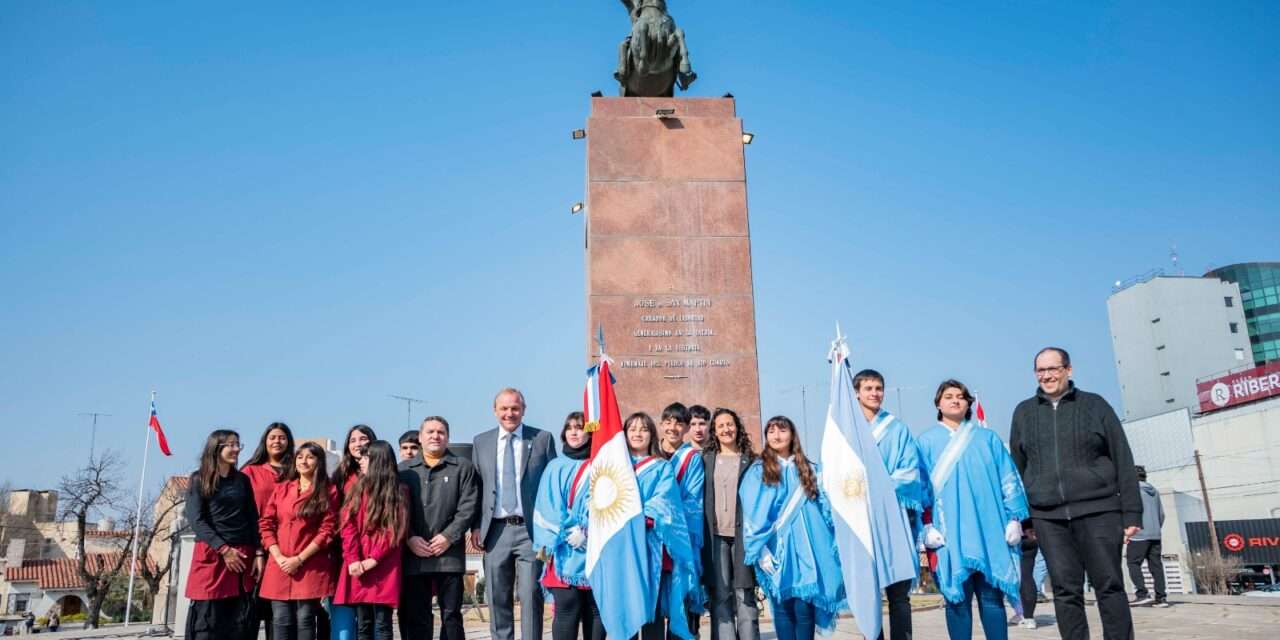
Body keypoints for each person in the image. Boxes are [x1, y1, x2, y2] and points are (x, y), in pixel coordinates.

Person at [1010, 347, 1142, 640]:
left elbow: (1122, 457)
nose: (1047, 375)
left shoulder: (1096, 406)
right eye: (1040, 370)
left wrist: (1132, 511)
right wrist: (1023, 518)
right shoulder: (1023, 412)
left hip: (1099, 511)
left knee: (1109, 584)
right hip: (1048, 517)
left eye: (1053, 369)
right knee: (1064, 590)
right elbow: (1017, 470)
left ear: (1069, 370)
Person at [918, 380, 1029, 640]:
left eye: (960, 396)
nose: (955, 400)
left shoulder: (988, 438)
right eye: (949, 396)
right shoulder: (925, 442)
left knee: (992, 601)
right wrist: (925, 525)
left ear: (968, 403)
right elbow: (919, 489)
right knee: (957, 601)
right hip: (948, 535)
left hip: (990, 533)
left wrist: (1015, 518)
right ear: (938, 403)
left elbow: (1009, 479)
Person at [740, 416, 846, 640]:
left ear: (792, 435)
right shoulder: (758, 471)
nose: (777, 435)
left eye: (782, 430)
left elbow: (826, 508)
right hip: (777, 550)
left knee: (804, 608)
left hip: (809, 550)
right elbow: (752, 509)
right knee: (782, 607)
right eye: (771, 431)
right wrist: (760, 550)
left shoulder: (810, 469)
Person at [471, 388, 558, 640]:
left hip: (530, 530)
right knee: (497, 595)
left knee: (531, 594)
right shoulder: (481, 442)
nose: (510, 413)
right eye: (504, 408)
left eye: (515, 408)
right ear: (495, 410)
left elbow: (550, 485)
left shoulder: (542, 439)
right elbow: (477, 487)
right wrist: (476, 526)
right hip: (495, 529)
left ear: (524, 409)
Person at [852, 369, 924, 640]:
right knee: (868, 594)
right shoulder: (846, 430)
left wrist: (875, 489)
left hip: (893, 518)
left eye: (878, 388)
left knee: (898, 594)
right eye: (868, 388)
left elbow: (909, 472)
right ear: (856, 392)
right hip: (860, 520)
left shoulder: (898, 429)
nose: (874, 393)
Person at [399, 417, 481, 640]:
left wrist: (448, 536)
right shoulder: (403, 470)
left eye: (441, 432)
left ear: (448, 437)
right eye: (430, 432)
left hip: (449, 555)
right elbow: (396, 510)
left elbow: (469, 506)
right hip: (414, 556)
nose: (435, 436)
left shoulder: (463, 468)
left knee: (451, 616)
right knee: (417, 616)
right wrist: (409, 538)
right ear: (420, 437)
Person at [184, 429, 264, 640]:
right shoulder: (198, 479)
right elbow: (197, 520)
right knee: (207, 621)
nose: (236, 449)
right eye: (231, 445)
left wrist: (258, 552)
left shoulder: (242, 481)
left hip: (243, 558)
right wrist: (224, 549)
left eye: (238, 445)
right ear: (216, 448)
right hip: (212, 556)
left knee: (239, 623)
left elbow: (252, 517)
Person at [624, 412, 697, 640]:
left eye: (643, 429)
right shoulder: (616, 467)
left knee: (652, 612)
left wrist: (636, 517)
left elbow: (665, 502)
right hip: (624, 547)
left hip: (652, 545)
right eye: (632, 429)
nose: (637, 433)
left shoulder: (662, 467)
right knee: (626, 609)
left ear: (652, 434)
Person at [533, 412, 604, 640]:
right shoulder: (555, 466)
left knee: (596, 610)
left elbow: (609, 502)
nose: (574, 432)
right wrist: (568, 531)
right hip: (564, 550)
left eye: (580, 427)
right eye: (570, 427)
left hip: (596, 550)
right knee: (567, 608)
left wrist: (590, 530)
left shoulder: (602, 465)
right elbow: (548, 505)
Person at [260, 442, 339, 640]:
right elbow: (266, 523)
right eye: (300, 456)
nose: (304, 461)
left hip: (310, 564)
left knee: (305, 618)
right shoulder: (282, 488)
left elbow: (327, 530)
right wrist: (277, 555)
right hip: (279, 563)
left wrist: (299, 559)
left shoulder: (329, 490)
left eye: (310, 457)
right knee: (280, 618)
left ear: (319, 462)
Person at [334, 441, 408, 640]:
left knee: (383, 624)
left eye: (365, 458)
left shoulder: (398, 492)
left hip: (384, 566)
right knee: (363, 624)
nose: (361, 462)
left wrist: (372, 559)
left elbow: (393, 531)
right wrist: (353, 559)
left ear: (378, 461)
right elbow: (347, 528)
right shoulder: (356, 489)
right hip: (358, 566)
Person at [702, 408, 760, 640]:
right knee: (721, 593)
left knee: (744, 593)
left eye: (730, 424)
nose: (726, 429)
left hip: (743, 537)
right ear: (714, 432)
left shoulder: (752, 461)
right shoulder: (706, 460)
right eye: (721, 426)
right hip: (715, 536)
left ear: (737, 427)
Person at [658, 402, 706, 638]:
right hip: (653, 540)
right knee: (655, 611)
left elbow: (692, 502)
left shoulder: (692, 459)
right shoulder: (650, 454)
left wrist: (666, 518)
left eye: (679, 423)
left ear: (686, 428)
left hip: (680, 539)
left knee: (682, 606)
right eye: (668, 422)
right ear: (661, 424)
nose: (673, 427)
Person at [244, 422, 296, 640]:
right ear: (265, 441)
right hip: (258, 549)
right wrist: (257, 550)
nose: (277, 441)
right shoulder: (250, 471)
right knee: (251, 611)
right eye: (273, 437)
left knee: (282, 616)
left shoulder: (296, 470)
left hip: (288, 551)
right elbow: (245, 513)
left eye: (282, 437)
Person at [328, 425, 377, 640]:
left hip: (375, 554)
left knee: (373, 618)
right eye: (353, 440)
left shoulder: (384, 476)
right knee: (344, 615)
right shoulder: (340, 476)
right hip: (344, 553)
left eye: (363, 438)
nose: (358, 443)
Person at [1127, 466, 1168, 608]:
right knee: (1156, 566)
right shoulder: (1154, 491)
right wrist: (1156, 528)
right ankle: (1161, 598)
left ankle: (1142, 594)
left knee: (1133, 563)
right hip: (1156, 534)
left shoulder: (1132, 491)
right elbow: (1162, 514)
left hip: (1138, 534)